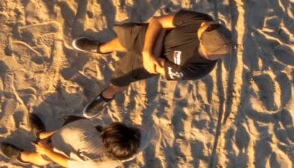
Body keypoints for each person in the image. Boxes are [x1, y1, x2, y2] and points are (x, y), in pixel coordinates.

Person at [74, 8, 233, 110]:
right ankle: (102, 49)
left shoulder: (197, 69)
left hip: (144, 61)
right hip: (149, 41)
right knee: (124, 38)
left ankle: (106, 96)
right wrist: (149, 52)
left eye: (206, 28)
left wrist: (152, 48)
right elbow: (157, 21)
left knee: (119, 80)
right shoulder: (202, 19)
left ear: (204, 45)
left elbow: (152, 68)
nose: (205, 23)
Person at [0, 113, 141, 168]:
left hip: (72, 153)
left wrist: (46, 151)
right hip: (77, 136)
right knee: (66, 132)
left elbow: (66, 162)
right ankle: (41, 135)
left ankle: (23, 157)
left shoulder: (93, 164)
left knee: (43, 157)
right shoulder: (137, 139)